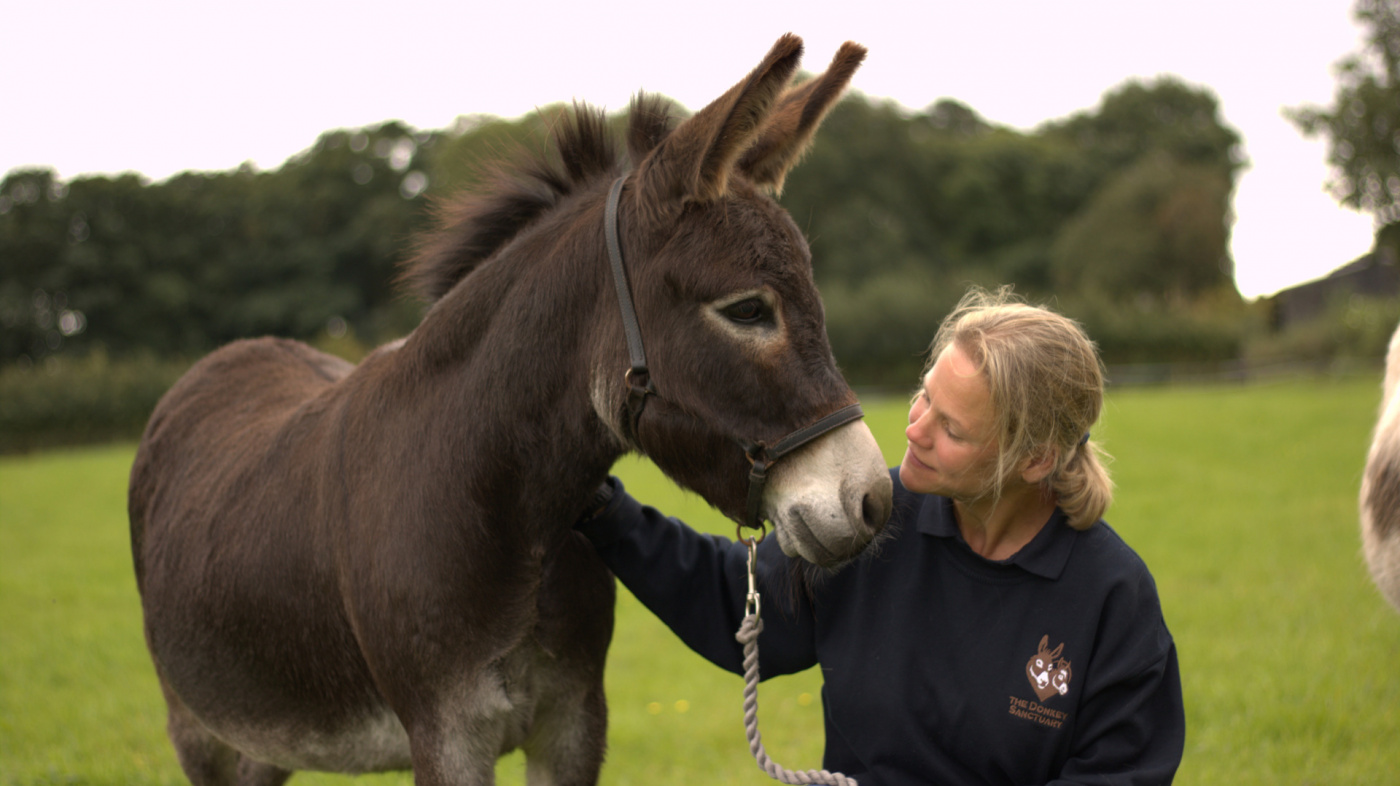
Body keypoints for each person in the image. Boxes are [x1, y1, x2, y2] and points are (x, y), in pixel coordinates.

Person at [576, 287, 1185, 785]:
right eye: (925, 397)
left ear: (1034, 461)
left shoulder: (1110, 595)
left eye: (952, 428)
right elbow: (741, 605)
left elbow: (1121, 775)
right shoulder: (877, 522)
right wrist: (606, 513)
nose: (915, 429)